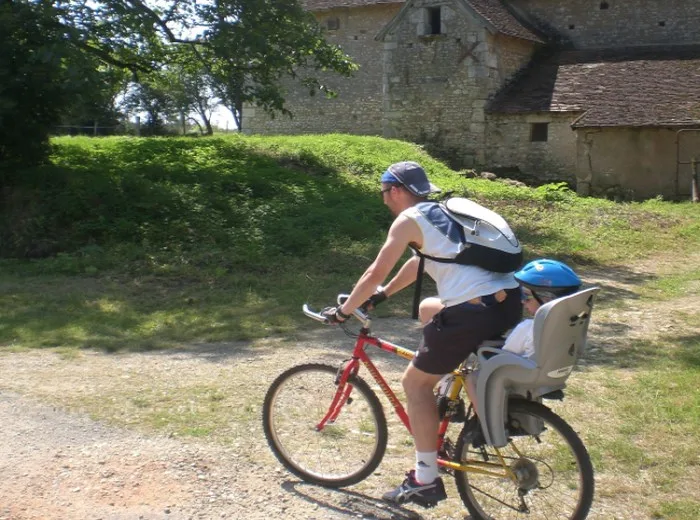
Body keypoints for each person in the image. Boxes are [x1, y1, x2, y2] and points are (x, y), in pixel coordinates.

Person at [321, 161, 522, 508]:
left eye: (384, 193)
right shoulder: (441, 213)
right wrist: (382, 296)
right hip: (507, 301)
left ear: (396, 190)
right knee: (430, 307)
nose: (384, 200)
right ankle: (449, 401)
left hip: (472, 311)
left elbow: (374, 270)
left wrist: (344, 310)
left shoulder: (408, 220)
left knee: (414, 385)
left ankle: (424, 479)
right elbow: (420, 263)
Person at [503, 259, 582, 358]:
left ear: (547, 300)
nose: (522, 301)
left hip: (518, 372)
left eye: (526, 296)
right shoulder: (574, 327)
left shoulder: (526, 328)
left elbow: (504, 357)